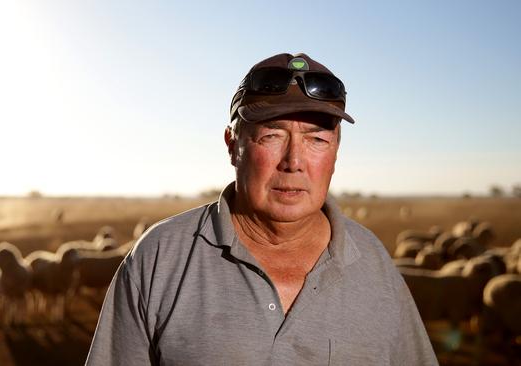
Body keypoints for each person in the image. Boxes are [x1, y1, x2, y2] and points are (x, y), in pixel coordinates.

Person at [85, 52, 438, 365]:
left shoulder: (372, 263)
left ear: (335, 153)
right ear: (232, 145)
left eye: (316, 139)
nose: (294, 161)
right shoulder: (160, 258)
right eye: (272, 135)